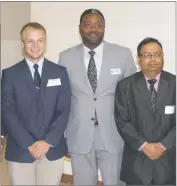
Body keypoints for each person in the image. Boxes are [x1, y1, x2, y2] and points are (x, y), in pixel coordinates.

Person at [58, 8, 137, 185]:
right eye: (88, 25)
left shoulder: (123, 54)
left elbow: (132, 97)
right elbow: (62, 100)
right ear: (80, 28)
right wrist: (63, 136)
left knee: (115, 182)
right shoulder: (65, 57)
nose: (93, 29)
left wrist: (132, 134)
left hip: (113, 134)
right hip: (78, 134)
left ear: (104, 28)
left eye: (98, 25)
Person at [1, 22, 71, 185]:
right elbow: (7, 112)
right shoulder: (10, 74)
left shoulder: (59, 72)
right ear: (22, 44)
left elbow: (64, 110)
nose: (35, 45)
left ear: (45, 43)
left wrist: (46, 142)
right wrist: (29, 144)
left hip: (52, 149)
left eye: (40, 40)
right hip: (20, 150)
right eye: (30, 41)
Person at [114, 37, 176, 185]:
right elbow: (122, 121)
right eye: (147, 55)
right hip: (137, 160)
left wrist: (163, 145)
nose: (153, 59)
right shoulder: (125, 86)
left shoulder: (175, 84)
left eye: (157, 54)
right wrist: (144, 146)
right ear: (139, 58)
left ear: (162, 56)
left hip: (168, 161)